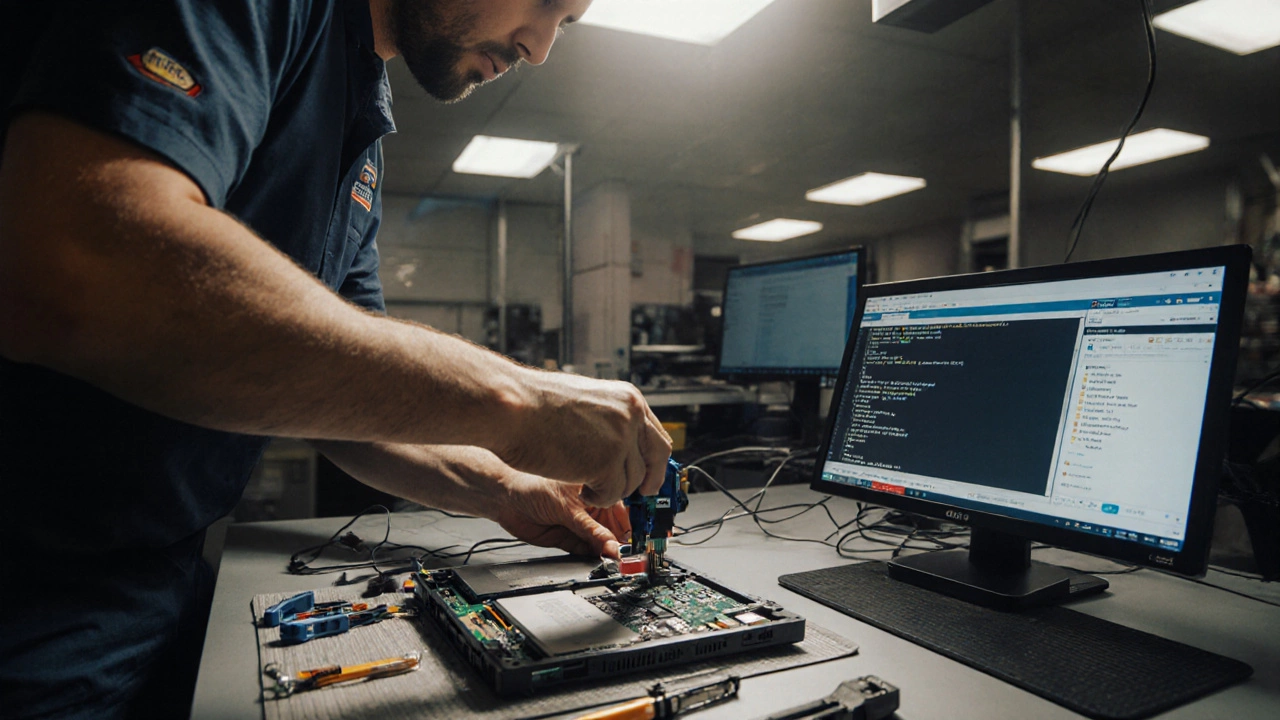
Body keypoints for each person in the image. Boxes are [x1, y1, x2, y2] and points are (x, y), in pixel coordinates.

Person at [0, 0, 672, 717]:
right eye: (545, 3)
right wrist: (515, 399)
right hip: (31, 581)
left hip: (163, 565)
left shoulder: (362, 137)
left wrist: (506, 489)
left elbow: (357, 408)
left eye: (565, 24)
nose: (539, 48)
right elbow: (76, 264)